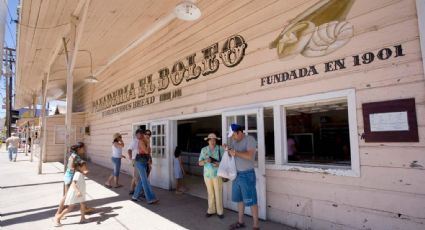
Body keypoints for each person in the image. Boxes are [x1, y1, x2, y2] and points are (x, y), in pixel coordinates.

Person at [224, 124, 259, 230]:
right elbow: (234, 155)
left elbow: (249, 155)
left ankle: (256, 226)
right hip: (237, 174)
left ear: (239, 132)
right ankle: (240, 222)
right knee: (240, 200)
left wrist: (235, 153)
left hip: (247, 174)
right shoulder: (235, 142)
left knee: (252, 201)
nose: (233, 137)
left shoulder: (250, 139)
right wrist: (228, 150)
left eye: (234, 135)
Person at [55, 142, 94, 217]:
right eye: (83, 148)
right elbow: (72, 167)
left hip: (69, 176)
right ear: (79, 149)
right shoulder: (75, 156)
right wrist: (81, 170)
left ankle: (84, 208)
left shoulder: (73, 154)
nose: (84, 150)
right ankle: (58, 214)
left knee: (78, 193)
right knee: (67, 196)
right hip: (70, 177)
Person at [54, 161, 89, 226]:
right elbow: (73, 184)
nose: (86, 167)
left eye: (85, 166)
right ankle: (58, 218)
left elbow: (82, 176)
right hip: (76, 193)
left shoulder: (80, 173)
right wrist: (77, 191)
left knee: (82, 204)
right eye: (84, 166)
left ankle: (82, 218)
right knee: (70, 207)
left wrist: (84, 172)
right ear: (79, 167)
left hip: (80, 192)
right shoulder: (77, 174)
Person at [199, 133, 224, 219]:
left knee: (218, 193)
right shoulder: (204, 150)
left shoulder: (220, 149)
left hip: (218, 174)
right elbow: (199, 163)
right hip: (207, 175)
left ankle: (220, 212)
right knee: (210, 193)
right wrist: (205, 161)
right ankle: (211, 210)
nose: (213, 141)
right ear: (208, 141)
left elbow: (226, 161)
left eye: (214, 140)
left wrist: (219, 164)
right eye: (211, 140)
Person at [131, 129, 159, 204]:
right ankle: (150, 198)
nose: (148, 135)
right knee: (145, 181)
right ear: (144, 134)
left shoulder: (146, 141)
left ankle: (135, 196)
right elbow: (147, 151)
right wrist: (149, 143)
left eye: (149, 134)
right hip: (139, 163)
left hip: (145, 162)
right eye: (146, 134)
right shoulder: (141, 141)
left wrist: (150, 162)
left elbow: (149, 152)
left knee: (142, 181)